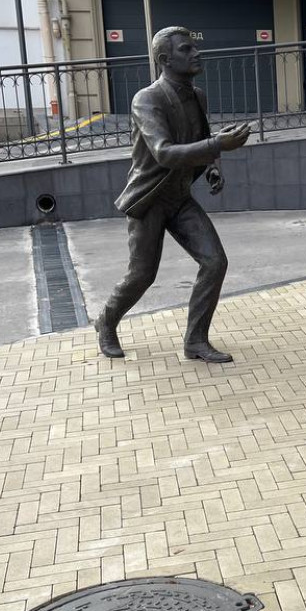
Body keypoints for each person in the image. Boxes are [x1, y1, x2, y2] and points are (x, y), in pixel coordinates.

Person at [95, 25, 250, 363]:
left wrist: (212, 166)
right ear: (165, 60)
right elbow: (164, 152)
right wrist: (217, 145)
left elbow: (202, 139)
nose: (196, 53)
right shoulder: (147, 99)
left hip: (179, 197)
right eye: (186, 49)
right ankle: (106, 321)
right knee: (142, 275)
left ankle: (196, 341)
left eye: (194, 47)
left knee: (215, 262)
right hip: (149, 199)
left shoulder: (197, 96)